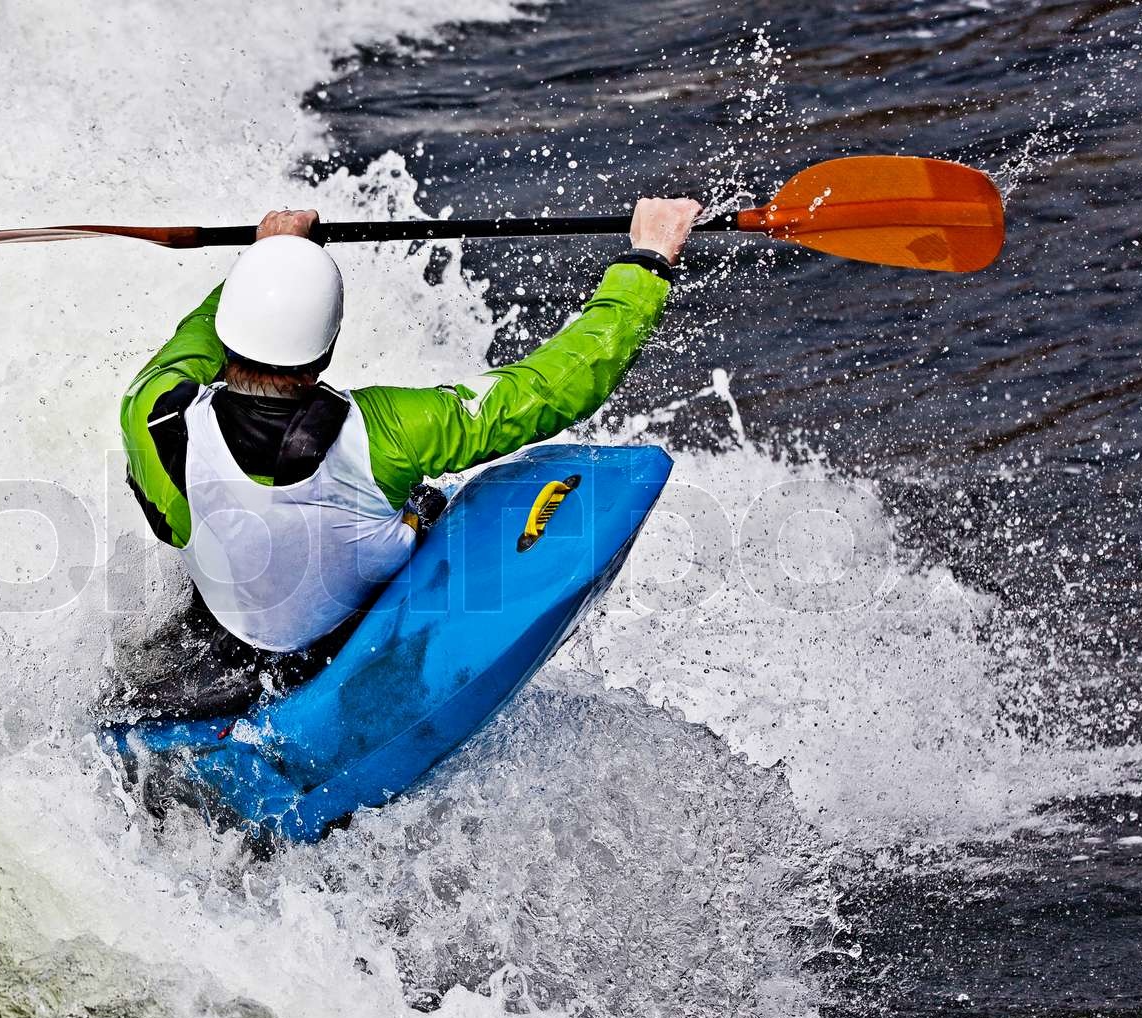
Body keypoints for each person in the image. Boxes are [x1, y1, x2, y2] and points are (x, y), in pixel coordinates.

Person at [111, 197, 700, 720]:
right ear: (328, 347)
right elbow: (547, 391)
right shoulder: (387, 431)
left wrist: (270, 260)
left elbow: (193, 344)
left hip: (228, 633)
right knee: (424, 504)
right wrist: (646, 263)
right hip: (341, 638)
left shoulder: (151, 414)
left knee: (183, 519)